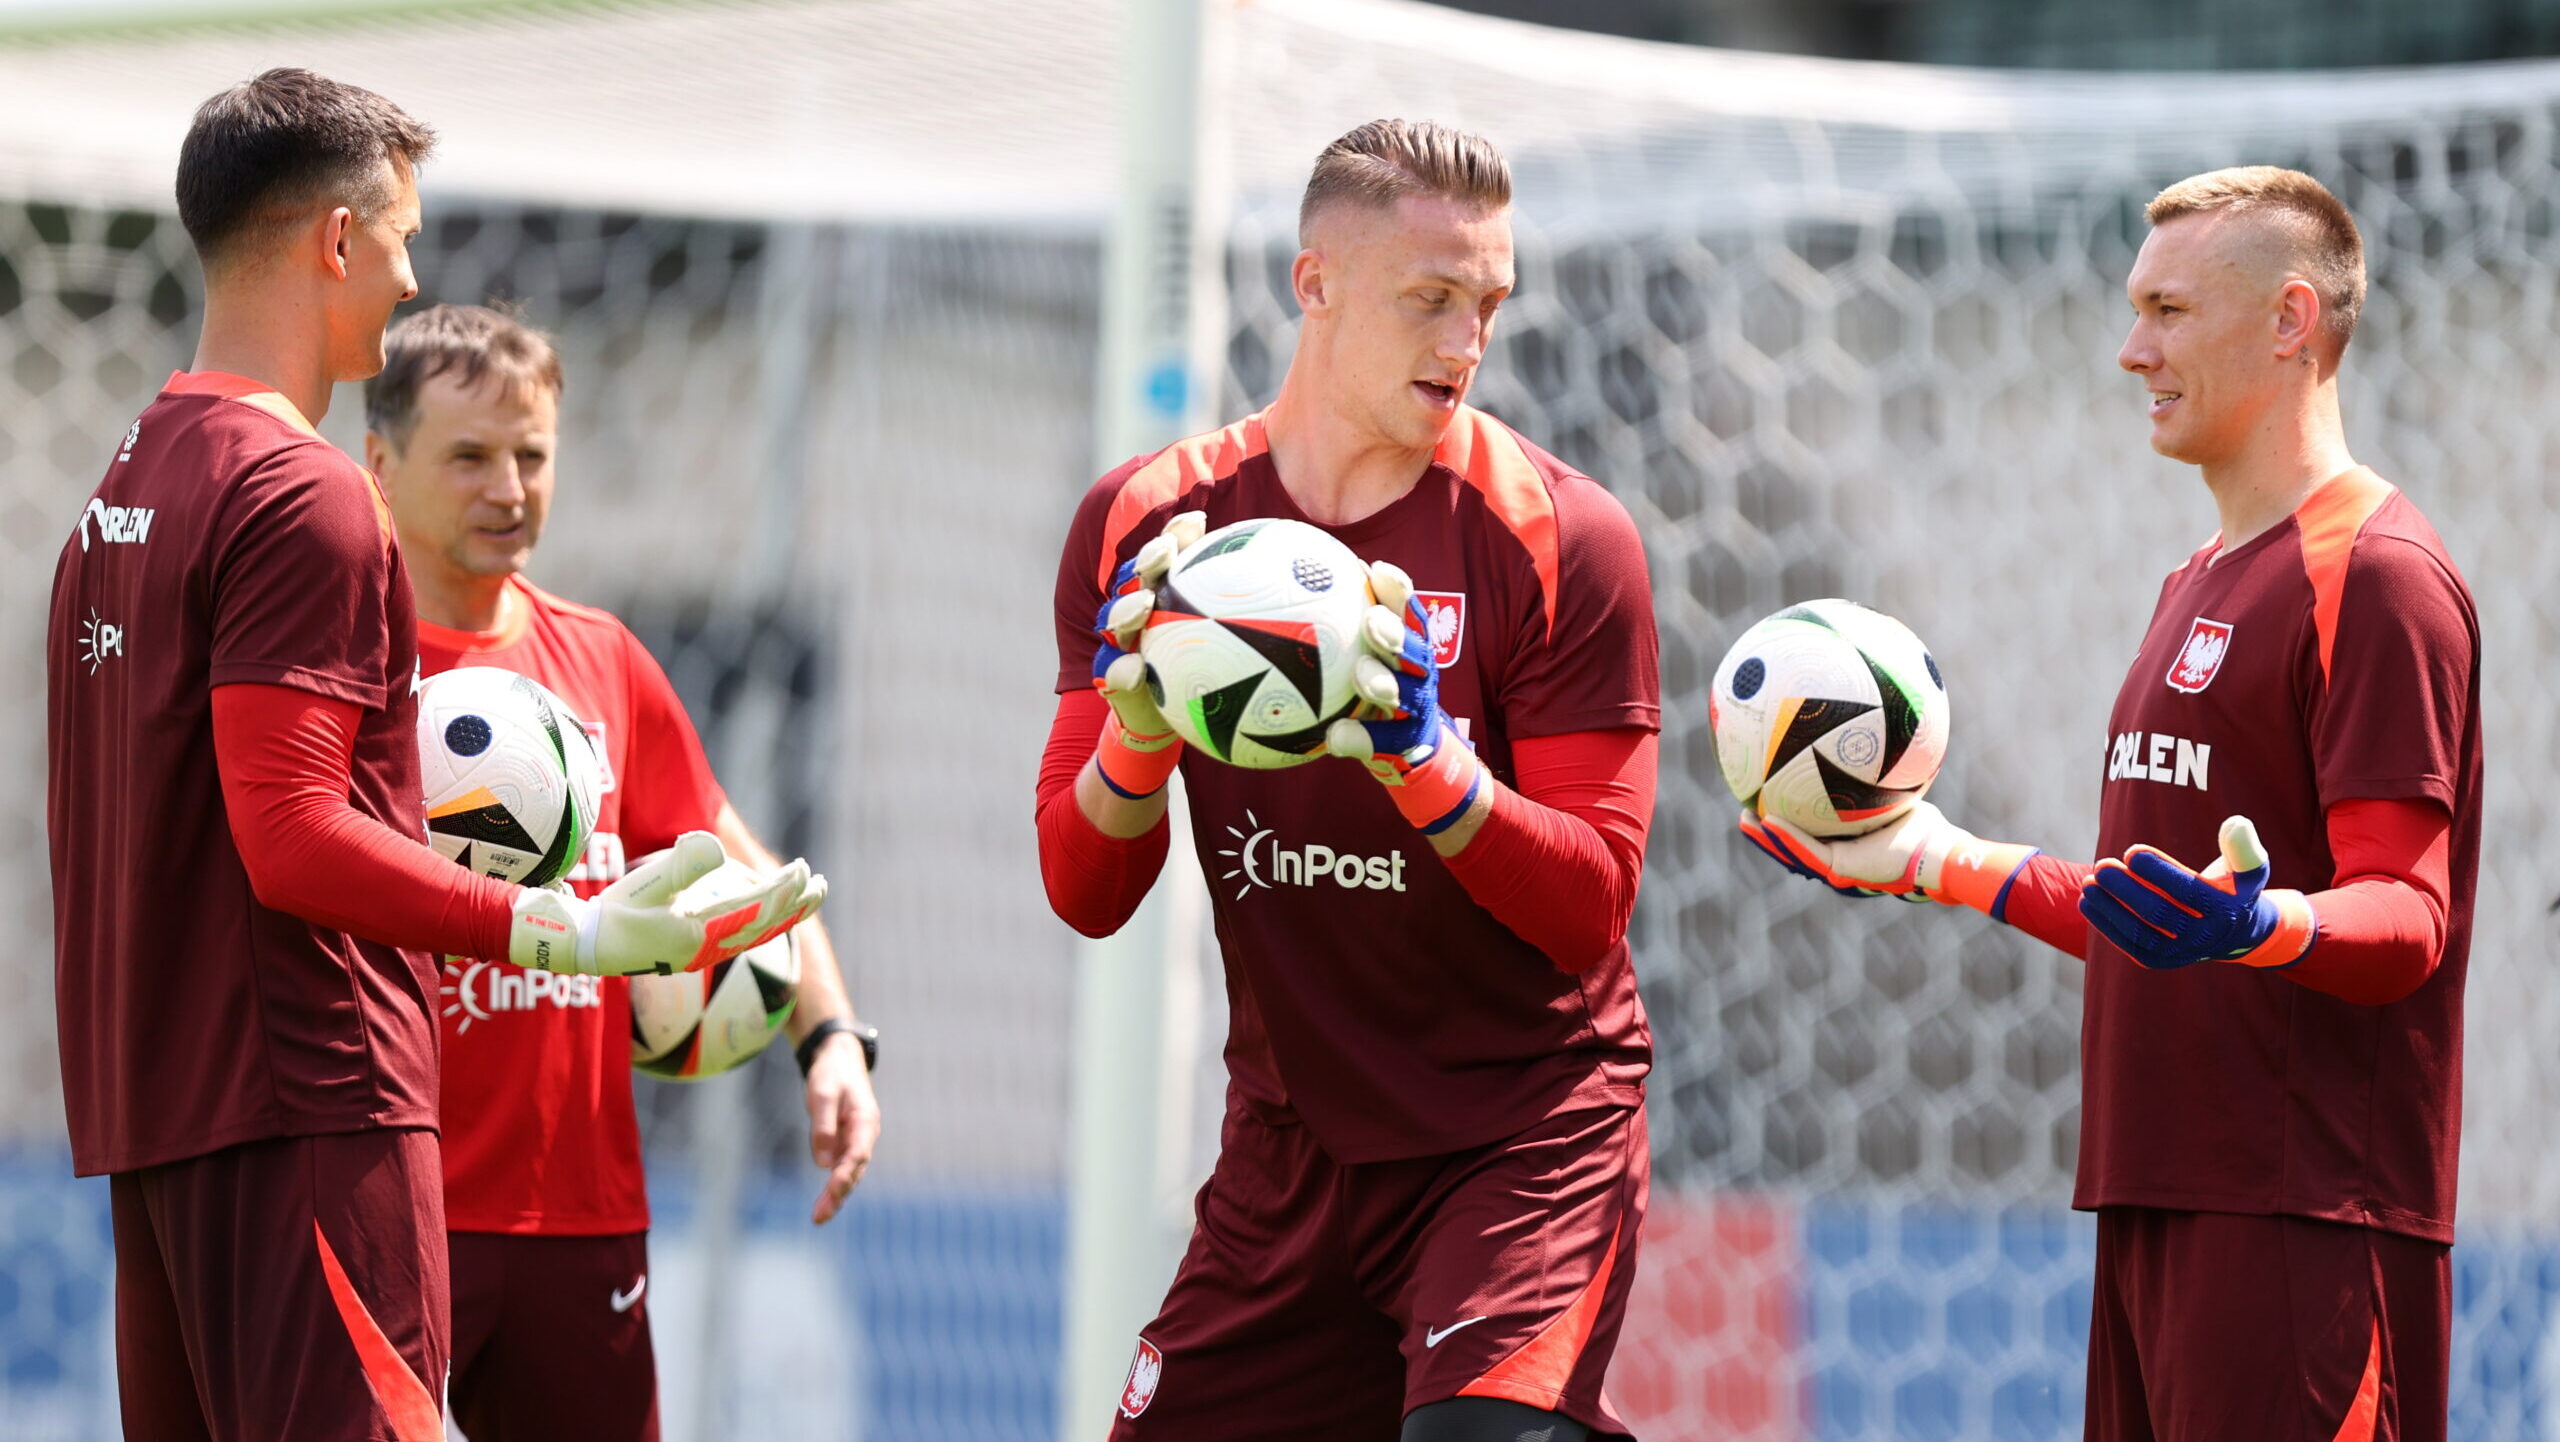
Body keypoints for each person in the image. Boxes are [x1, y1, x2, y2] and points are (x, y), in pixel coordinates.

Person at [45, 70, 822, 1442]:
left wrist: (828, 1030)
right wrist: (560, 928)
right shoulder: (304, 494)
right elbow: (287, 834)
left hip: (157, 1124)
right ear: (334, 241)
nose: (412, 277)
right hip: (313, 1106)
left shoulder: (124, 486)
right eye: (401, 236)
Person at [1742, 167, 2479, 1442]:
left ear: (2289, 319)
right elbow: (2156, 918)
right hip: (2150, 1204)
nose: (2130, 347)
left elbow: (2405, 916)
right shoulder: (2191, 579)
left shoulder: (2380, 577)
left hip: (2304, 1225)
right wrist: (1929, 856)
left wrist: (2264, 926)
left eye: (2168, 311)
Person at [1038, 119, 1660, 1442]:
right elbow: (1082, 888)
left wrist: (1422, 759)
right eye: (1430, 299)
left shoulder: (1566, 538)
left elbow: (1590, 903)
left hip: (1522, 1141)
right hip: (1290, 1150)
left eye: (1487, 303)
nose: (1465, 343)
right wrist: (1138, 736)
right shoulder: (1150, 523)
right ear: (1313, 281)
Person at [361, 303, 881, 1441]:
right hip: (386, 1208)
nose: (511, 487)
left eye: (532, 454)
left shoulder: (600, 659)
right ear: (381, 465)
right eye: (470, 456)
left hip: (580, 1214)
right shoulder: (345, 672)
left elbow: (756, 877)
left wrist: (832, 1037)